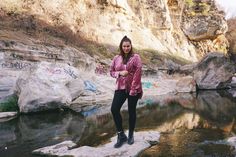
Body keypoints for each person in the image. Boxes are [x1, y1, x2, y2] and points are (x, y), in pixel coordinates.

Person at [110, 36, 143, 148]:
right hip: (120, 87)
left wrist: (133, 89)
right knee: (114, 109)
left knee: (131, 111)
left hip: (133, 88)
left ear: (131, 46)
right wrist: (119, 73)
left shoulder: (136, 57)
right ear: (121, 46)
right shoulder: (116, 58)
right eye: (124, 46)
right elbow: (111, 72)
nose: (126, 48)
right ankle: (121, 135)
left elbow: (138, 73)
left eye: (128, 46)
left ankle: (131, 135)